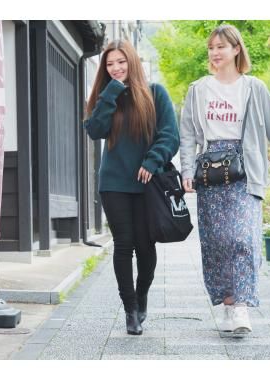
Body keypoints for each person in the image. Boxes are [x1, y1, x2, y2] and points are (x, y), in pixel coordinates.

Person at [179, 24, 270, 335]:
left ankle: (241, 307)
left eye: (221, 47)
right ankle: (227, 304)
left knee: (244, 238)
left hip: (245, 169)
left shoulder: (255, 88)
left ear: (237, 49)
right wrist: (186, 170)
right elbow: (186, 135)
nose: (214, 53)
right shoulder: (198, 89)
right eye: (211, 47)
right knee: (217, 242)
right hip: (210, 172)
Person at [83, 39, 179, 335]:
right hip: (113, 183)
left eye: (121, 62)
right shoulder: (106, 96)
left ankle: (142, 295)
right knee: (123, 245)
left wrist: (152, 161)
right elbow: (95, 130)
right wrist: (111, 92)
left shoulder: (155, 94)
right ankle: (130, 310)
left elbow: (170, 135)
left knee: (145, 248)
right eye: (110, 64)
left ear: (132, 62)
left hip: (147, 183)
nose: (115, 68)